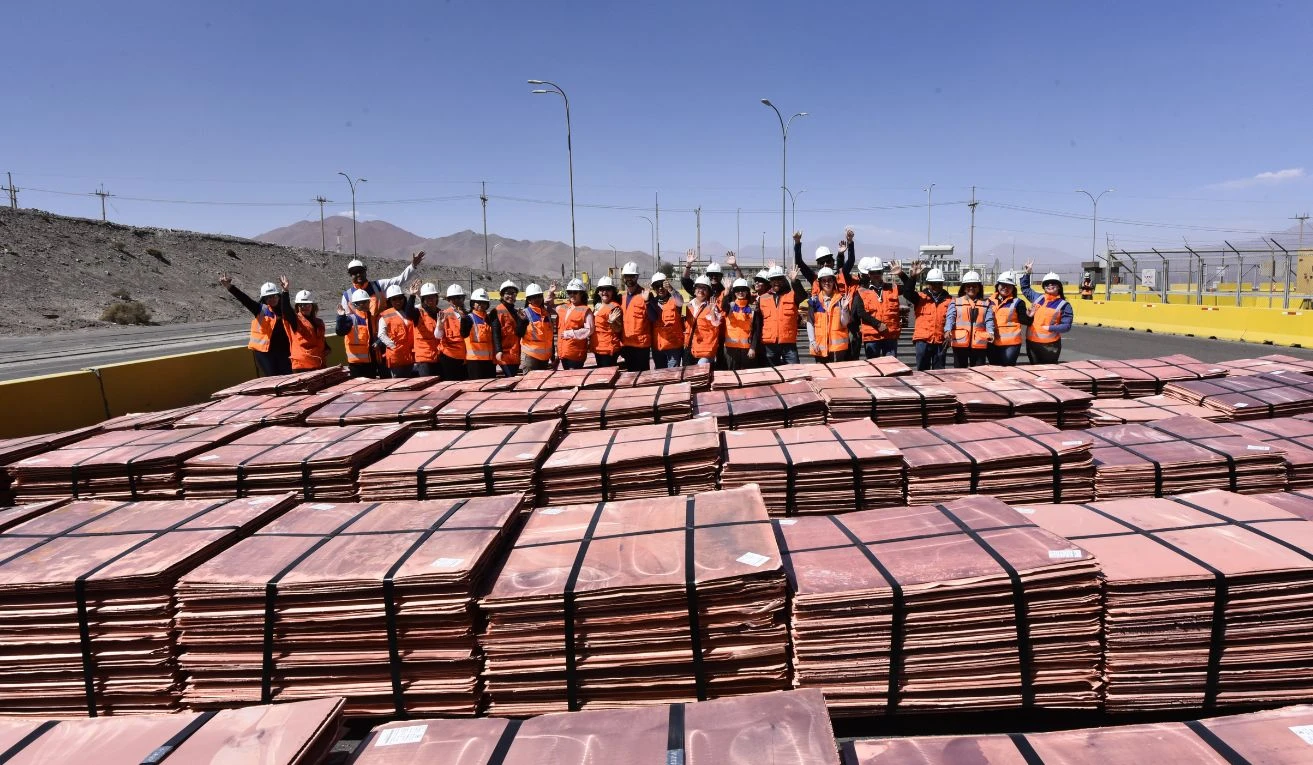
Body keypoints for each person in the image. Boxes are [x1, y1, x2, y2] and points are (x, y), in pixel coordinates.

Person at [336, 252, 424, 372]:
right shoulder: (347, 296)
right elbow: (347, 323)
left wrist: (412, 265)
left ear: (365, 271)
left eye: (360, 271)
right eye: (354, 273)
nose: (358, 275)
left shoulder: (378, 286)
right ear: (350, 275)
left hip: (382, 340)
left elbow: (399, 280)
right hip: (363, 347)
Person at [220, 273, 292, 377]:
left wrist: (285, 291)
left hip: (283, 351)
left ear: (278, 296)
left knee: (288, 377)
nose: (272, 299)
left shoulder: (285, 309)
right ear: (264, 299)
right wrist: (229, 287)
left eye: (274, 296)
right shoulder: (260, 310)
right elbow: (244, 299)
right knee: (273, 378)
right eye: (268, 298)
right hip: (265, 353)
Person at [760, 250, 807, 366]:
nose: (776, 282)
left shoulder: (791, 295)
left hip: (788, 344)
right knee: (772, 376)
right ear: (769, 281)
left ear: (783, 280)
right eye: (773, 279)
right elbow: (758, 322)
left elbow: (802, 296)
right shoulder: (763, 298)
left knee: (795, 374)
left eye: (779, 279)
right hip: (770, 345)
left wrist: (794, 281)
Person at [1021, 263, 1074, 364]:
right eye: (1047, 283)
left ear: (1059, 287)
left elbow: (1066, 326)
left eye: (1053, 283)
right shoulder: (1038, 298)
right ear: (1044, 287)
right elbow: (1025, 288)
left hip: (1050, 346)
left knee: (1048, 371)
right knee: (1035, 371)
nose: (1050, 285)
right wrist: (1027, 273)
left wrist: (1049, 328)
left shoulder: (1064, 305)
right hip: (1032, 343)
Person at [851, 257, 903, 359]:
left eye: (878, 272)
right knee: (874, 369)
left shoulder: (892, 288)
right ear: (868, 274)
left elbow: (909, 289)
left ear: (882, 272)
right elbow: (861, 312)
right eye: (873, 272)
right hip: (872, 337)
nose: (876, 275)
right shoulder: (861, 291)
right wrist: (878, 324)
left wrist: (901, 274)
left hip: (890, 335)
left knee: (891, 367)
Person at [904, 263, 951, 371]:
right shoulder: (920, 298)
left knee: (939, 372)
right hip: (922, 341)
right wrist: (913, 277)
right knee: (922, 372)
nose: (936, 286)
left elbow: (952, 319)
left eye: (938, 283)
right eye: (933, 283)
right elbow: (907, 293)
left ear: (942, 283)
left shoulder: (949, 300)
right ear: (927, 283)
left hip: (940, 341)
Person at [945, 270, 995, 368]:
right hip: (960, 342)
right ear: (964, 288)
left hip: (979, 343)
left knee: (979, 373)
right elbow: (950, 317)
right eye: (968, 286)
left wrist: (991, 332)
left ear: (979, 288)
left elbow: (989, 320)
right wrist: (947, 330)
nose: (971, 288)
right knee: (960, 372)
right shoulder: (955, 302)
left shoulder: (986, 304)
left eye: (974, 286)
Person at [278, 278, 330, 371]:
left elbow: (319, 338)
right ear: (297, 307)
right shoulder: (295, 320)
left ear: (312, 306)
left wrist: (326, 347)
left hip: (319, 363)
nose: (304, 307)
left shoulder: (319, 322)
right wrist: (285, 291)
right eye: (301, 305)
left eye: (307, 304)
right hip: (302, 366)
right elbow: (286, 310)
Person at [805, 267, 852, 363]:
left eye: (829, 280)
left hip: (837, 350)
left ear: (834, 281)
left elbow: (844, 324)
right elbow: (810, 323)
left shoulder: (841, 300)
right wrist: (813, 342)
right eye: (824, 280)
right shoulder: (814, 302)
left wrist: (845, 309)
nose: (827, 283)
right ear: (820, 283)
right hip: (819, 347)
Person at [988, 271, 1031, 366]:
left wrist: (1030, 316)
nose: (1005, 288)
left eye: (1009, 286)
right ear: (997, 285)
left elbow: (1025, 321)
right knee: (994, 369)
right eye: (1003, 285)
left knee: (1008, 370)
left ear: (1013, 288)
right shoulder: (989, 301)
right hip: (992, 342)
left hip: (1010, 344)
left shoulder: (1018, 303)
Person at [795, 228, 855, 296]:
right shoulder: (814, 278)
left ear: (832, 262)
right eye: (822, 262)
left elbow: (850, 261)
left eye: (828, 261)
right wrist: (797, 242)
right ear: (818, 265)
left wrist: (850, 242)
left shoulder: (841, 276)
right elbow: (799, 262)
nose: (825, 264)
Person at [619, 261, 653, 372]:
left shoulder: (646, 295)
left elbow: (653, 318)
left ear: (637, 277)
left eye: (632, 276)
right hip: (627, 345)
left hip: (641, 346)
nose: (629, 279)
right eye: (626, 276)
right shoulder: (622, 298)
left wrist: (647, 301)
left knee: (642, 380)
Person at [376, 284, 416, 378]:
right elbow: (381, 334)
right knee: (398, 383)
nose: (398, 301)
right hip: (396, 356)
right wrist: (393, 346)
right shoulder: (385, 315)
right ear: (389, 301)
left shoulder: (407, 312)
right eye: (394, 299)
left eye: (400, 298)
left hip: (409, 355)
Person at [338, 288, 377, 378]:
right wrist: (340, 318)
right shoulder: (351, 319)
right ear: (355, 305)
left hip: (371, 362)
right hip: (356, 364)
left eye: (365, 302)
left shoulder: (373, 318)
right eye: (360, 303)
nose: (364, 305)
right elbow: (340, 331)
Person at [649, 273, 686, 369]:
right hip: (658, 348)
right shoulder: (652, 302)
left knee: (672, 377)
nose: (660, 288)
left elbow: (680, 301)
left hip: (674, 347)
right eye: (657, 286)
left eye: (662, 285)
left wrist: (671, 289)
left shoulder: (674, 299)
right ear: (654, 288)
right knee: (661, 376)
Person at [556, 279, 594, 370]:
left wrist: (570, 333)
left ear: (581, 293)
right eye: (569, 292)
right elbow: (547, 305)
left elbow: (589, 330)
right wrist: (550, 293)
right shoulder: (564, 307)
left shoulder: (585, 310)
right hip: (563, 353)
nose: (572, 295)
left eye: (575, 292)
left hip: (575, 355)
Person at [723, 278, 760, 370]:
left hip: (747, 348)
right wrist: (727, 291)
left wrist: (753, 347)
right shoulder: (731, 306)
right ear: (734, 292)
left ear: (747, 292)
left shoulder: (753, 308)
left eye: (743, 290)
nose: (740, 292)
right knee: (732, 375)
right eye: (737, 290)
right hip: (730, 348)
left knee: (746, 375)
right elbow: (723, 307)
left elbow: (756, 330)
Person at [685, 276, 723, 366]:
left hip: (706, 348)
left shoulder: (712, 306)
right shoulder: (689, 306)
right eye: (698, 287)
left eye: (704, 288)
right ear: (694, 291)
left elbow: (716, 324)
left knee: (701, 372)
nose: (701, 290)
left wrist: (713, 311)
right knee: (689, 375)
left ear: (708, 292)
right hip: (691, 347)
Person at [464, 288, 500, 379]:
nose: (481, 305)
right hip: (474, 361)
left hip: (489, 361)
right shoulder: (468, 318)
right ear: (473, 304)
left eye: (484, 302)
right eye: (478, 302)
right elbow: (463, 333)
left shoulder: (488, 319)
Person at [520, 282, 555, 372]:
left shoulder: (546, 314)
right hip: (530, 358)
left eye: (539, 296)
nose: (537, 299)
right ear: (529, 300)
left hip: (545, 358)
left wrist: (552, 354)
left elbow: (549, 337)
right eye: (534, 297)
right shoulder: (524, 314)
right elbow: (518, 333)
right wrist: (521, 322)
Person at [493, 281, 526, 378]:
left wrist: (522, 321)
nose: (510, 296)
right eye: (508, 293)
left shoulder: (517, 312)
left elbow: (519, 333)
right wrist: (498, 350)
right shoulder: (496, 311)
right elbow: (495, 333)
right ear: (502, 295)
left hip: (515, 354)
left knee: (512, 379)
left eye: (513, 293)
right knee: (510, 378)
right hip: (503, 354)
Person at [411, 282, 443, 377]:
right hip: (424, 359)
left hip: (438, 357)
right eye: (427, 297)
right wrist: (412, 295)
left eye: (432, 297)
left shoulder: (440, 313)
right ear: (423, 300)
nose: (430, 300)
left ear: (436, 298)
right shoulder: (418, 313)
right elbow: (408, 312)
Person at [591, 276, 623, 367]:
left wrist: (612, 322)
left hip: (608, 349)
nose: (604, 292)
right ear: (598, 292)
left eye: (607, 289)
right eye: (601, 289)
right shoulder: (598, 305)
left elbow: (618, 329)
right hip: (598, 347)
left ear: (612, 291)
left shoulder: (614, 307)